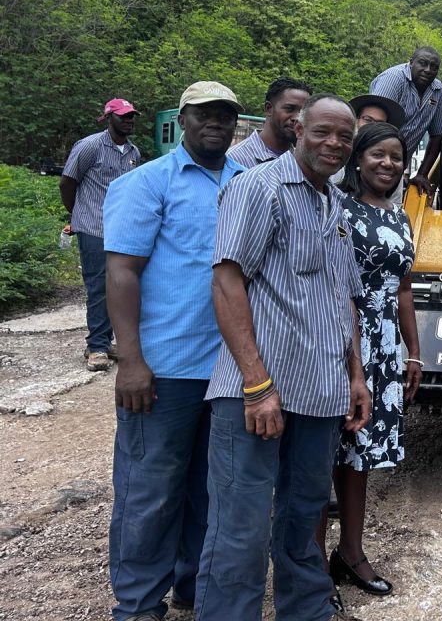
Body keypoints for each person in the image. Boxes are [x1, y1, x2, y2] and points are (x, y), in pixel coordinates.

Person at [196, 94, 371, 621]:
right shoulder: (258, 187)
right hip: (258, 395)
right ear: (297, 128)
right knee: (240, 527)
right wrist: (256, 384)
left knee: (303, 518)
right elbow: (227, 282)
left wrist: (355, 377)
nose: (334, 144)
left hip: (321, 393)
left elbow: (343, 298)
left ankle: (307, 611)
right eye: (323, 132)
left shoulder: (334, 203)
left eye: (345, 136)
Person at [102, 81, 244, 621]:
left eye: (226, 116)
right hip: (165, 366)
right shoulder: (146, 182)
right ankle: (138, 605)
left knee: (209, 491)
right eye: (205, 114)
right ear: (181, 120)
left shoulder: (243, 184)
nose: (216, 124)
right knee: (150, 488)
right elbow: (121, 273)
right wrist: (131, 360)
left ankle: (191, 587)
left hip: (227, 369)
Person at [318, 122, 421, 598]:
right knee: (322, 456)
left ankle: (350, 554)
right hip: (340, 341)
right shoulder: (337, 209)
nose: (388, 163)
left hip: (383, 347)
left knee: (359, 456)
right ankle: (312, 567)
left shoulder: (400, 216)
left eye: (397, 156)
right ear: (357, 160)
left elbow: (403, 288)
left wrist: (413, 352)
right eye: (378, 154)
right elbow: (336, 288)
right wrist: (352, 355)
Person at [60, 97, 141, 371]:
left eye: (131, 116)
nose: (129, 120)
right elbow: (67, 182)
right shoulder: (90, 146)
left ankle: (105, 341)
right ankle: (96, 347)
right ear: (109, 118)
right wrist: (77, 214)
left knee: (120, 285)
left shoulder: (133, 153)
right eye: (123, 116)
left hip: (121, 228)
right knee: (98, 286)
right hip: (93, 226)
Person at [369, 47, 442, 194]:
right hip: (369, 165)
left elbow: (438, 135)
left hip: (396, 170)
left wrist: (422, 174)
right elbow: (373, 125)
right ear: (411, 62)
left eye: (434, 67)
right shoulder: (393, 79)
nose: (428, 70)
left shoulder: (438, 91)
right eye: (422, 63)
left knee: (389, 213)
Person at [227, 77, 311, 168]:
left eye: (303, 112)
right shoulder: (233, 160)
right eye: (289, 109)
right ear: (268, 109)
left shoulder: (305, 162)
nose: (297, 118)